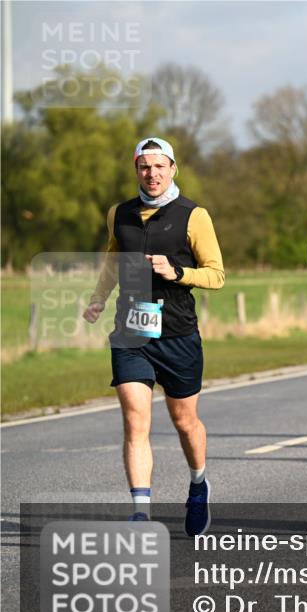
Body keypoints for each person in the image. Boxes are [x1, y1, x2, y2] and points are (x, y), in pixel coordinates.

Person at [83, 137, 225, 535]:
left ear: (173, 168)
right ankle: (142, 512)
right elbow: (114, 262)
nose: (153, 173)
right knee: (135, 419)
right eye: (145, 166)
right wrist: (98, 300)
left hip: (178, 333)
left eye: (160, 166)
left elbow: (217, 274)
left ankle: (198, 485)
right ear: (137, 171)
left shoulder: (194, 215)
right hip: (130, 331)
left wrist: (177, 272)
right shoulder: (120, 213)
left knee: (185, 421)